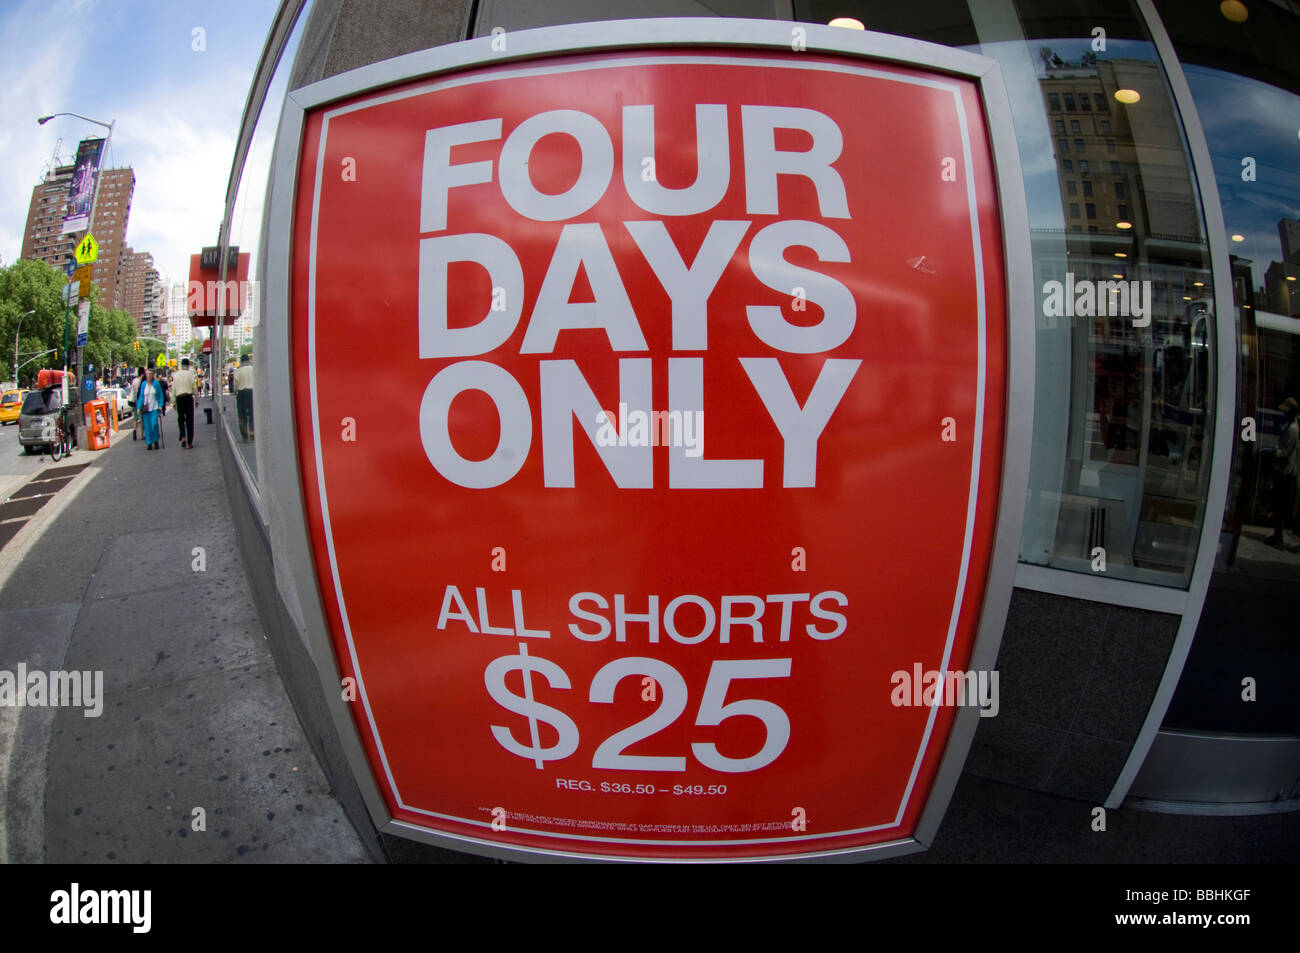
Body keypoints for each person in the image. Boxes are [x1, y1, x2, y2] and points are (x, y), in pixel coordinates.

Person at [1267, 397, 1298, 545]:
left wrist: (1273, 452)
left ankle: (1278, 535)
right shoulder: (1288, 426)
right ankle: (1276, 533)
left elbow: (1285, 452)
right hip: (1282, 470)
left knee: (1280, 505)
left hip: (1285, 472)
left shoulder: (1292, 429)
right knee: (1277, 504)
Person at [137, 367, 165, 450]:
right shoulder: (143, 384)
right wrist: (138, 407)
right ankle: (149, 443)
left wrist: (160, 405)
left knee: (154, 425)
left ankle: (155, 440)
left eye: (149, 374)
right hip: (145, 409)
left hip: (154, 408)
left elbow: (160, 395)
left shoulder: (156, 384)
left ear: (152, 375)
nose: (148, 376)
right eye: (147, 374)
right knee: (147, 426)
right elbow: (141, 397)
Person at [173, 358, 197, 449]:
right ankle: (189, 443)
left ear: (181, 365)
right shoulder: (191, 374)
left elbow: (174, 389)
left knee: (180, 418)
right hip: (188, 397)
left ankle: (183, 436)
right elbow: (194, 387)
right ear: (188, 366)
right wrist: (197, 399)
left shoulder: (176, 375)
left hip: (179, 398)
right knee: (190, 420)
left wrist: (173, 402)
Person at [234, 353, 254, 442]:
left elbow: (235, 385)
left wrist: (236, 392)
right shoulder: (253, 369)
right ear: (248, 361)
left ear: (241, 362)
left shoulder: (238, 371)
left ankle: (245, 437)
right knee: (252, 413)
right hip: (252, 392)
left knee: (242, 415)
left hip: (241, 393)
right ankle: (252, 430)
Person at [131, 366, 145, 442]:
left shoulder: (134, 380)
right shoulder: (143, 381)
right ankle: (142, 434)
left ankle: (134, 430)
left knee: (135, 417)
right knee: (142, 418)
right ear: (143, 373)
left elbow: (132, 390)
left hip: (135, 401)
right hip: (142, 401)